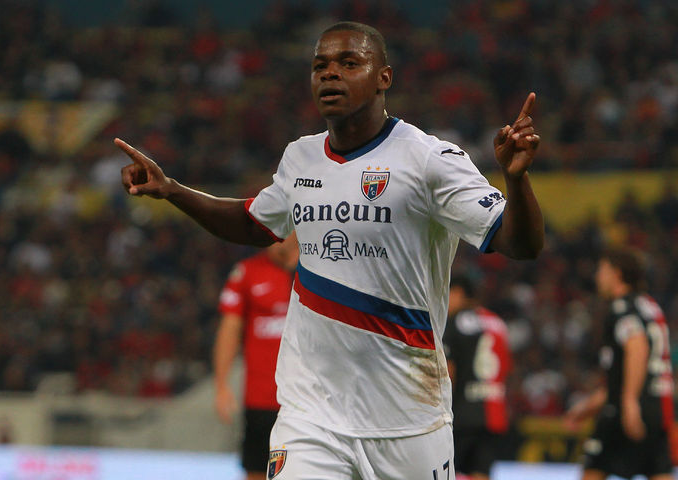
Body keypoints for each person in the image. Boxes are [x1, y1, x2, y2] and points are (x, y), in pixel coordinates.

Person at [115, 21, 543, 480]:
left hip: (409, 421)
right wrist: (172, 190)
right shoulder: (301, 157)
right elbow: (252, 223)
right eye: (320, 66)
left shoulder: (429, 160)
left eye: (349, 63)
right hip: (311, 417)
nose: (330, 74)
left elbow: (521, 244)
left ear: (384, 78)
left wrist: (515, 180)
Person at [564, 247, 674, 480]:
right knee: (659, 471)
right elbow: (621, 377)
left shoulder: (622, 308)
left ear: (617, 273)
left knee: (593, 470)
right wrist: (586, 409)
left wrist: (630, 401)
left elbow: (637, 346)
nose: (597, 277)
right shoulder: (650, 306)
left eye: (602, 270)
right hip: (657, 406)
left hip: (625, 410)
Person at [213, 234, 298, 480]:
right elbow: (229, 330)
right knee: (257, 472)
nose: (277, 236)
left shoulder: (318, 272)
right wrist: (221, 385)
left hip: (307, 402)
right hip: (261, 401)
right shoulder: (247, 272)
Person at [443, 275, 512, 480]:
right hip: (494, 414)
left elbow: (448, 372)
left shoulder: (455, 322)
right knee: (481, 472)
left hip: (462, 414)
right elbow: (507, 369)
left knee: (447, 471)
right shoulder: (498, 323)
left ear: (459, 293)